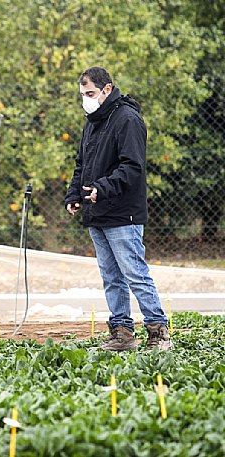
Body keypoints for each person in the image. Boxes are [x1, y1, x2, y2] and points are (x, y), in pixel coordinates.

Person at [65, 66, 172, 351]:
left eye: (90, 93)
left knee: (134, 273)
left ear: (107, 89)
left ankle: (158, 332)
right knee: (111, 277)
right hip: (96, 212)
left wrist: (103, 188)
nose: (86, 99)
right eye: (82, 94)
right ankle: (122, 333)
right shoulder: (93, 120)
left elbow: (132, 167)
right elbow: (82, 164)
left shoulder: (127, 119)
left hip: (123, 212)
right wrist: (73, 194)